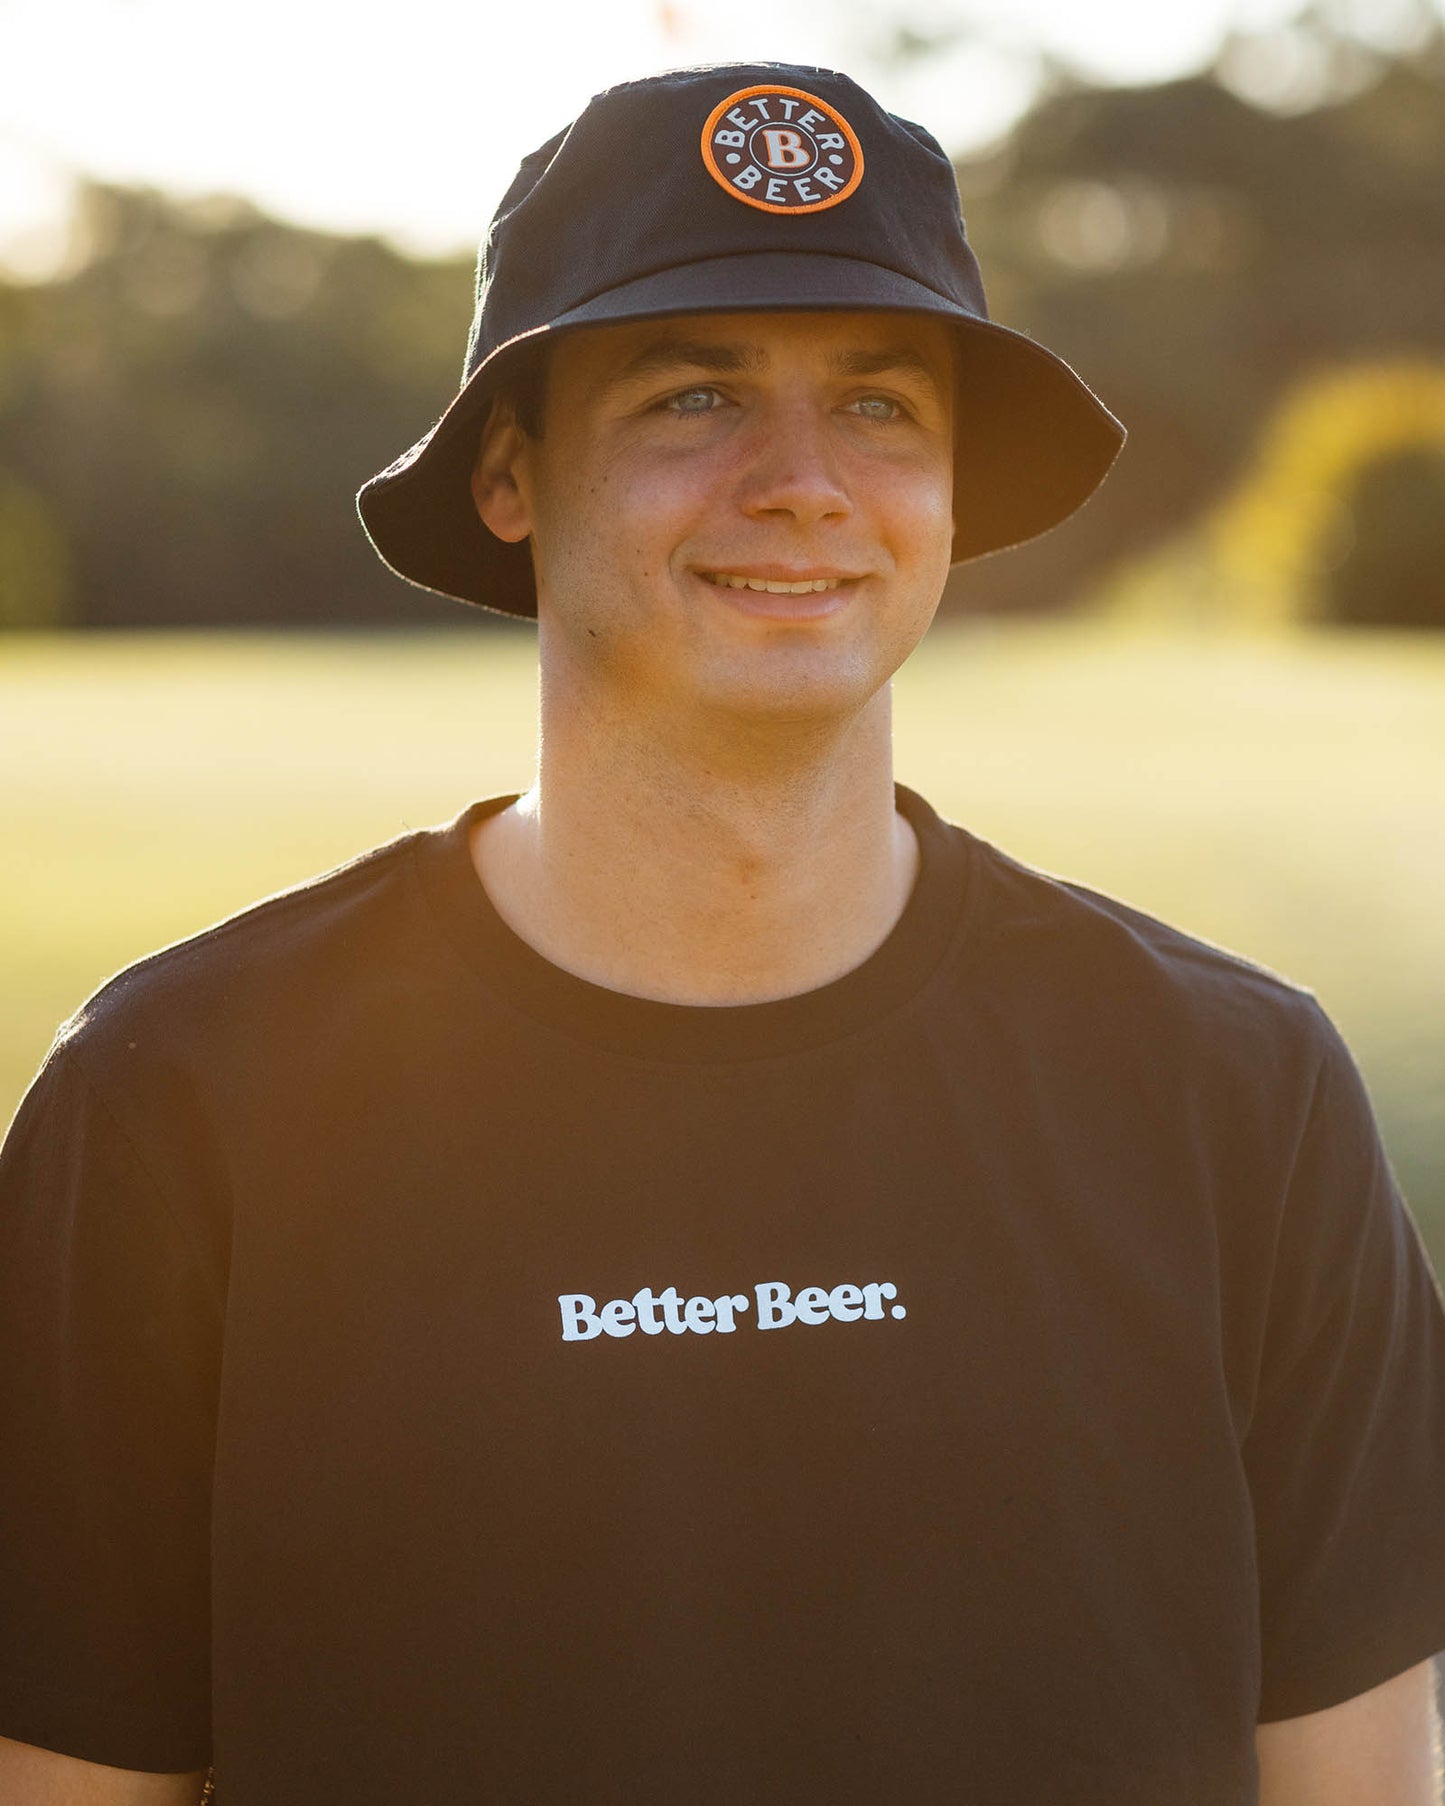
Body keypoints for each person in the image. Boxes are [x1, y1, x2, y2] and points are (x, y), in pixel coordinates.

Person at [1, 60, 1442, 1806]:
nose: (804, 483)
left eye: (882, 406)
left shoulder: (1236, 1087)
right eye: (695, 396)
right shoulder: (184, 1092)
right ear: (510, 475)